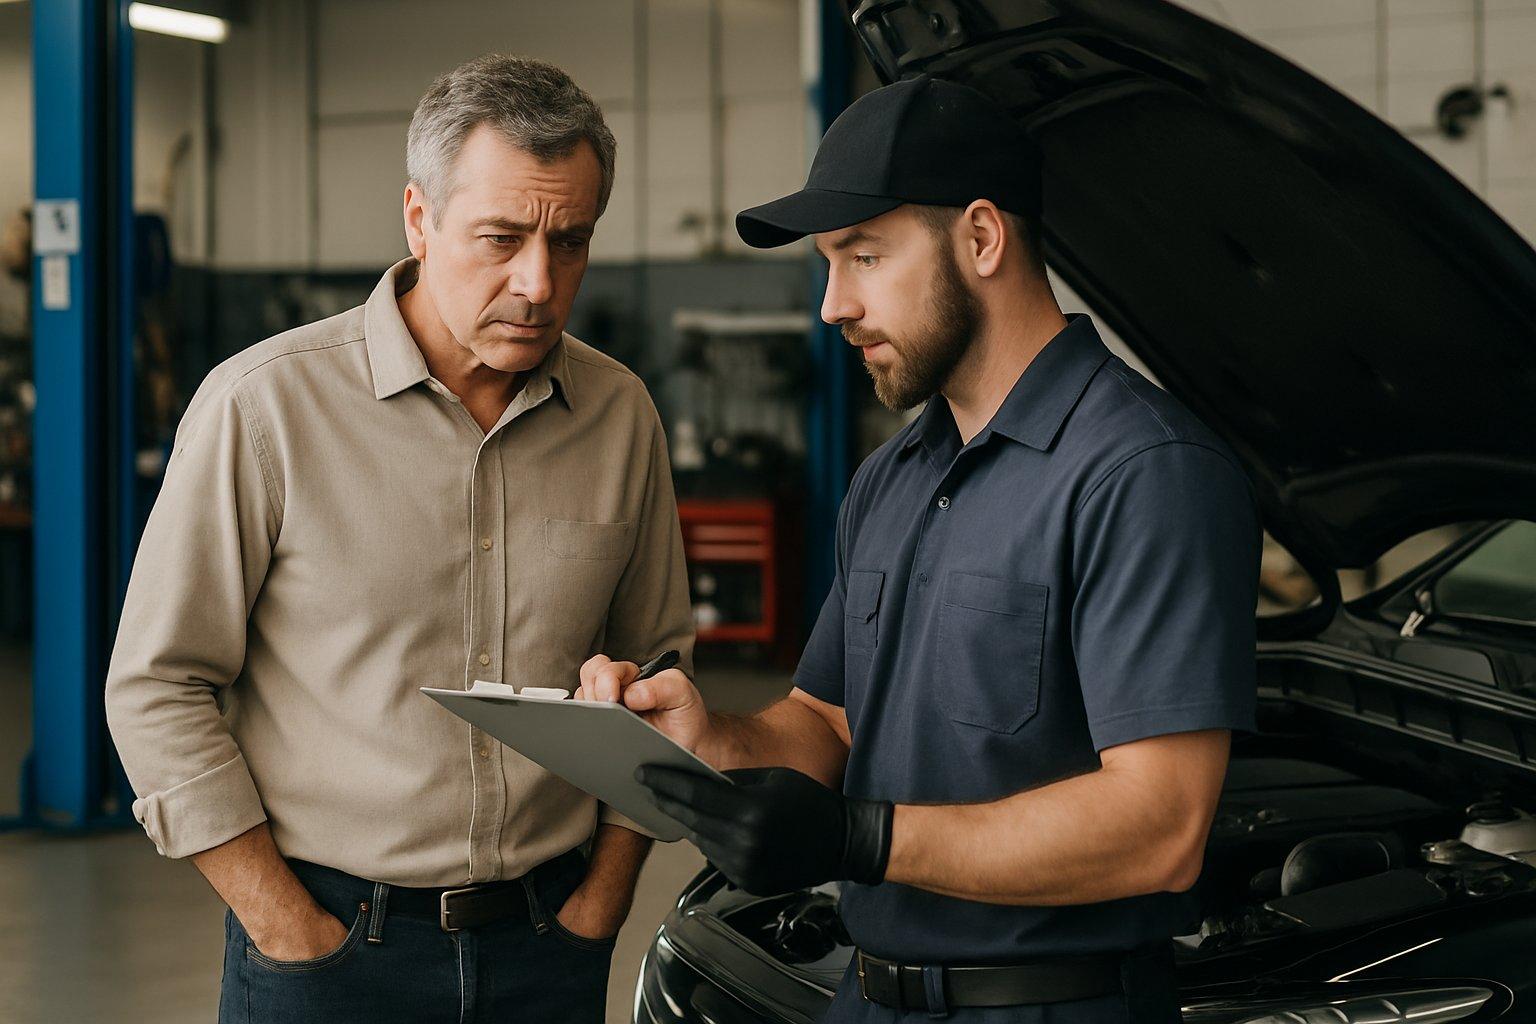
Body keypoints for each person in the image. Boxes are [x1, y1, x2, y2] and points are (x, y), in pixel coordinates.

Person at [580, 75, 1261, 1022]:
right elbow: (829, 720)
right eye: (828, 264)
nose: (832, 306)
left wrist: (862, 840)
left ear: (982, 238)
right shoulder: (892, 477)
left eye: (863, 257)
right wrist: (714, 740)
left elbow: (1161, 828)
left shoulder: (1144, 473)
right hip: (869, 998)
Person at [105, 54, 692, 1023]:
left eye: (571, 241)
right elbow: (156, 684)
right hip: (327, 953)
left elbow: (659, 665)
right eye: (500, 238)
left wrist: (604, 900)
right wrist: (285, 924)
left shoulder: (620, 415)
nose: (539, 283)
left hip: (550, 948)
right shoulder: (265, 409)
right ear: (418, 220)